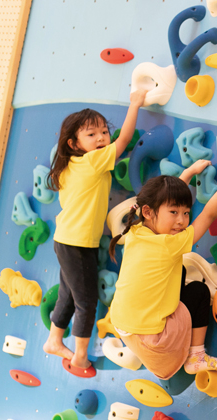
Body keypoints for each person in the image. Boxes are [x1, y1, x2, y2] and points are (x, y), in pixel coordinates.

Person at [108, 162, 217, 380]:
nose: (182, 221)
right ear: (148, 212)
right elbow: (209, 215)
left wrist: (188, 173)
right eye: (174, 212)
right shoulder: (168, 243)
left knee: (178, 270)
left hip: (122, 325)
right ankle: (196, 357)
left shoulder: (136, 230)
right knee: (198, 292)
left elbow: (163, 201)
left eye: (186, 213)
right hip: (156, 343)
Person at [42, 90, 147, 368]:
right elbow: (124, 140)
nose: (101, 138)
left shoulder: (70, 166)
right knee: (86, 301)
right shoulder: (92, 161)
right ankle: (79, 354)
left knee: (68, 294)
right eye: (92, 134)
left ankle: (54, 340)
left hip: (68, 240)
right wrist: (135, 104)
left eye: (104, 132)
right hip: (76, 243)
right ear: (74, 143)